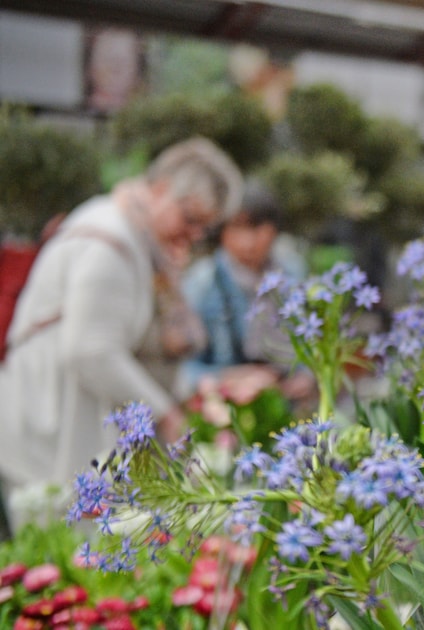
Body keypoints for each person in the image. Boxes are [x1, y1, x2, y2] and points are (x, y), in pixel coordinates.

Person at [0, 137, 243, 502]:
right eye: (189, 218)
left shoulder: (133, 235)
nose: (192, 235)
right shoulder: (110, 242)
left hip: (56, 426)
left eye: (203, 228)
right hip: (46, 431)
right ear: (160, 189)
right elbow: (90, 352)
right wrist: (166, 414)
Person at [178, 180, 308, 399]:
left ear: (274, 229)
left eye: (257, 228)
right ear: (221, 231)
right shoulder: (202, 282)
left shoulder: (292, 274)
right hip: (225, 412)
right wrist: (228, 379)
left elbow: (310, 346)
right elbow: (182, 371)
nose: (248, 241)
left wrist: (306, 378)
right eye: (237, 228)